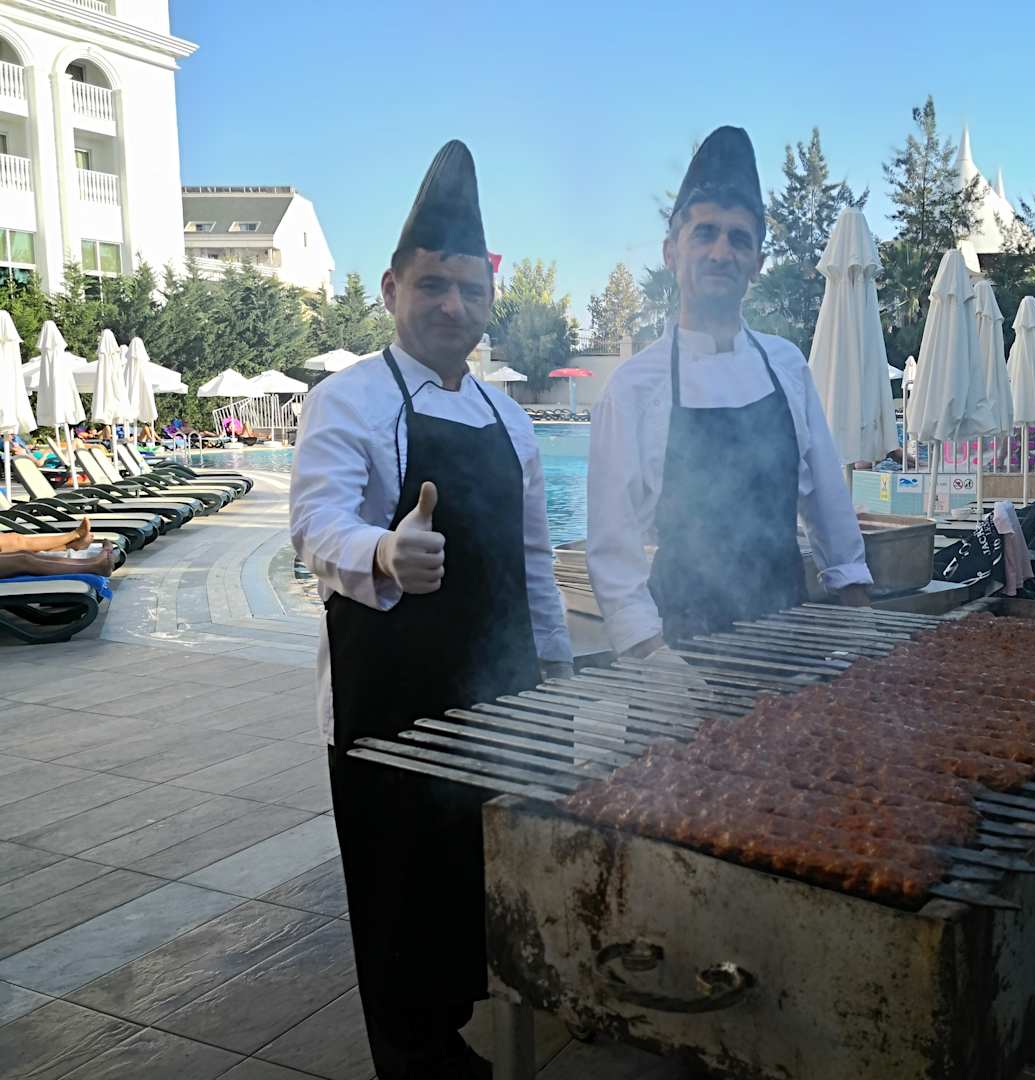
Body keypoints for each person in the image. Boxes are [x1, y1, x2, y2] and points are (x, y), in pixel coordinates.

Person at [290, 139, 572, 1080]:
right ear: (391, 288)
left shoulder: (510, 416)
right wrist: (382, 550)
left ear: (490, 300)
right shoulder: (347, 400)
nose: (453, 305)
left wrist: (560, 671)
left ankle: (485, 1029)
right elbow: (314, 524)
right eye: (433, 285)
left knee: (494, 881)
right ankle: (418, 1061)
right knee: (400, 903)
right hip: (391, 704)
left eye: (470, 289)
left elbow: (533, 560)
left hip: (504, 696)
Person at [587, 126, 872, 659]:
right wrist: (651, 656)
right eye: (705, 234)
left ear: (757, 263)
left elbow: (828, 503)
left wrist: (859, 615)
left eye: (739, 239)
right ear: (671, 251)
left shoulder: (788, 367)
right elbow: (612, 546)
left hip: (788, 638)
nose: (721, 252)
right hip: (678, 648)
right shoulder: (633, 387)